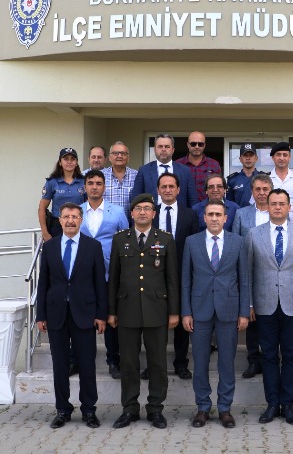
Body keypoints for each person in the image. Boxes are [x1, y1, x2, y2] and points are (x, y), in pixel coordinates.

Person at [108, 194, 180, 430]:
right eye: (138, 208)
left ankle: (155, 409)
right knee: (129, 363)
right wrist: (112, 311)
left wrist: (174, 312)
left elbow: (172, 279)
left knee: (157, 362)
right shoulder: (120, 239)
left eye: (147, 208)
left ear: (153, 213)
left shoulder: (165, 239)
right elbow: (114, 278)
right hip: (127, 308)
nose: (142, 212)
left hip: (156, 309)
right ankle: (129, 408)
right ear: (131, 213)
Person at [35, 202, 107, 430]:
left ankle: (89, 410)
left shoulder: (93, 247)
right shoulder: (50, 247)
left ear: (81, 220)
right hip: (56, 313)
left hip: (84, 313)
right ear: (59, 220)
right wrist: (40, 315)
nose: (70, 221)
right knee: (60, 365)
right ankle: (62, 410)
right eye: (66, 217)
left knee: (86, 364)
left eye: (75, 217)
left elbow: (99, 283)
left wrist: (101, 314)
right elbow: (43, 283)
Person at [181, 200, 250, 429]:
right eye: (210, 214)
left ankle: (224, 408)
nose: (214, 218)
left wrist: (244, 312)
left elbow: (244, 279)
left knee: (226, 362)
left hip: (228, 309)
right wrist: (186, 312)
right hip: (199, 310)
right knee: (200, 361)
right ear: (204, 217)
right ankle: (202, 407)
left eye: (218, 214)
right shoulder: (192, 242)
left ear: (225, 218)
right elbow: (185, 279)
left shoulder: (238, 242)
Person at [245, 188, 293, 425]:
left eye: (282, 203)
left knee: (291, 356)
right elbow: (248, 272)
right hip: (264, 304)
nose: (277, 207)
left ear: (289, 207)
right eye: (273, 203)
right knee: (269, 356)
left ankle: (288, 405)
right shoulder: (254, 234)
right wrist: (249, 303)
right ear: (268, 206)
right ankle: (272, 404)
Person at [79, 169, 129, 380]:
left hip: (110, 273)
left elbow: (126, 241)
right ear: (85, 187)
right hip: (83, 274)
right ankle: (79, 360)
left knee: (110, 318)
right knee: (82, 318)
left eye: (98, 183)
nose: (94, 187)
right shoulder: (77, 212)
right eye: (91, 183)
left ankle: (113, 360)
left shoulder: (117, 211)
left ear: (104, 187)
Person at [151, 172, 200, 380]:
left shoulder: (190, 214)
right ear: (158, 190)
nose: (168, 190)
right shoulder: (150, 213)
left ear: (178, 190)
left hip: (182, 274)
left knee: (181, 320)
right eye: (164, 186)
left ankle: (181, 363)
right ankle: (154, 364)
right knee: (155, 322)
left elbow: (195, 245)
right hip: (154, 274)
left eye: (171, 186)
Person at [231, 173, 272, 379]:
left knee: (271, 318)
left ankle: (270, 359)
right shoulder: (242, 214)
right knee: (252, 317)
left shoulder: (279, 211)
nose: (262, 193)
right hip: (249, 272)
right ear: (252, 191)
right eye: (258, 189)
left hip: (274, 274)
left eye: (265, 189)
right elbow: (236, 243)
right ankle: (254, 360)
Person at [130, 133, 198, 208]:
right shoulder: (144, 171)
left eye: (167, 146)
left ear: (173, 150)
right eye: (160, 146)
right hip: (152, 214)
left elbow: (193, 200)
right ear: (154, 150)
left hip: (179, 214)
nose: (163, 149)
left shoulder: (185, 171)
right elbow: (135, 198)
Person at [38, 148, 86, 241]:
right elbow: (42, 208)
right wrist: (45, 232)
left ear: (76, 163)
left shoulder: (83, 182)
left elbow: (89, 205)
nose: (69, 162)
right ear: (60, 162)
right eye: (66, 159)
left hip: (79, 225)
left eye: (72, 159)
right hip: (57, 226)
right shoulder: (52, 182)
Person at [175, 131, 221, 202]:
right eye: (193, 144)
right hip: (184, 207)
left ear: (204, 145)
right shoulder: (177, 164)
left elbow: (219, 188)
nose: (197, 147)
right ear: (188, 145)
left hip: (207, 207)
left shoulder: (214, 164)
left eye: (200, 144)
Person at [103, 141, 138, 220]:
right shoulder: (101, 176)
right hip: (107, 223)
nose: (119, 156)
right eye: (115, 153)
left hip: (130, 223)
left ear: (128, 158)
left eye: (123, 153)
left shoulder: (137, 176)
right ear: (109, 157)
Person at [226, 142, 265, 208]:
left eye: (251, 155)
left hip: (259, 213)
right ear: (240, 159)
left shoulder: (263, 178)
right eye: (245, 155)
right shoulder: (233, 179)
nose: (248, 158)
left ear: (256, 158)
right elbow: (229, 204)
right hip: (238, 214)